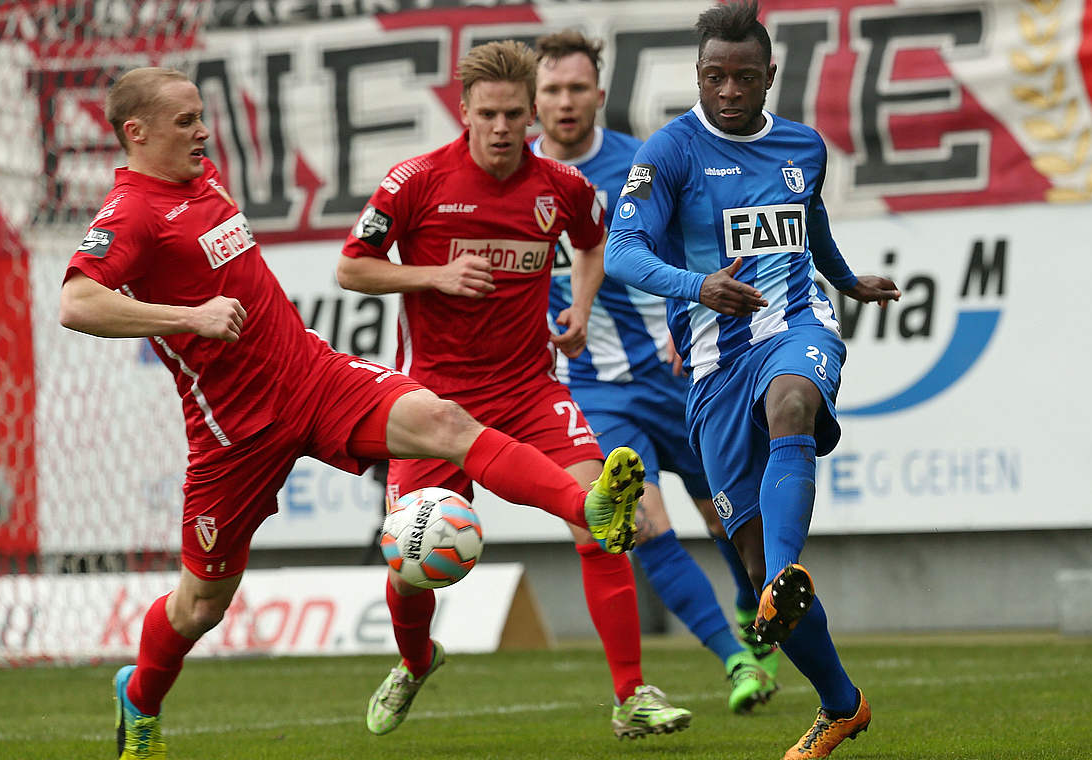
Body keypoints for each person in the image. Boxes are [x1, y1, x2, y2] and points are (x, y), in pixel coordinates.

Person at [62, 67, 643, 760]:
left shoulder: (202, 177)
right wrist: (188, 316)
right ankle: (142, 698)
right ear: (137, 133)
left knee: (445, 423)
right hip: (233, 433)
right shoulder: (131, 213)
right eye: (186, 121)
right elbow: (77, 302)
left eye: (201, 116)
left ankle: (591, 509)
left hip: (312, 376)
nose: (203, 131)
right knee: (200, 607)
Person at [335, 41, 690, 740]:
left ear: (533, 115)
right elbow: (353, 269)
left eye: (512, 116)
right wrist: (432, 276)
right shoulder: (416, 182)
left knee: (599, 525)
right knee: (410, 572)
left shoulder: (560, 186)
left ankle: (632, 695)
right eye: (486, 114)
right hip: (433, 404)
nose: (501, 128)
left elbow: (593, 244)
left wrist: (581, 308)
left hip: (530, 389)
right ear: (463, 112)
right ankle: (415, 661)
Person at [603, 3, 902, 758]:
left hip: (797, 325)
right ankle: (842, 705)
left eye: (743, 76)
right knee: (749, 558)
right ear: (697, 77)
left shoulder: (803, 145)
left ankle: (784, 573)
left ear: (770, 75)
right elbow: (621, 253)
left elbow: (812, 216)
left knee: (793, 402)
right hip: (711, 367)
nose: (729, 90)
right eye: (714, 76)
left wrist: (843, 280)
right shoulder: (668, 153)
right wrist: (697, 286)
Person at [532, 28, 781, 714]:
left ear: (599, 95)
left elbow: (695, 249)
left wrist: (690, 323)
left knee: (733, 518)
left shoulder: (645, 164)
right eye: (551, 90)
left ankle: (745, 602)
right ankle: (736, 663)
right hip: (593, 389)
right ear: (534, 100)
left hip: (677, 372)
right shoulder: (517, 178)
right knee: (642, 526)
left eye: (577, 88)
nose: (564, 101)